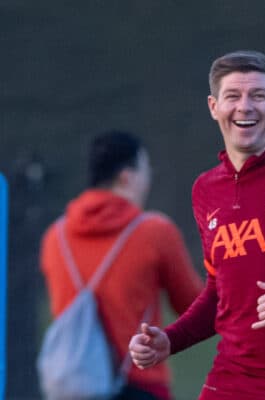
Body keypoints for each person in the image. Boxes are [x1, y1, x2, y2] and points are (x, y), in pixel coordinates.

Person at [129, 51, 265, 400]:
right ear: (213, 106)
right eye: (233, 96)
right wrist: (169, 341)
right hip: (231, 380)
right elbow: (221, 293)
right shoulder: (205, 189)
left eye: (258, 96)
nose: (245, 107)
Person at [39, 130, 204, 400]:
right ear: (126, 177)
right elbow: (193, 305)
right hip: (139, 384)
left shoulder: (55, 237)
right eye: (146, 170)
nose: (148, 180)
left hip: (74, 384)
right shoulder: (154, 232)